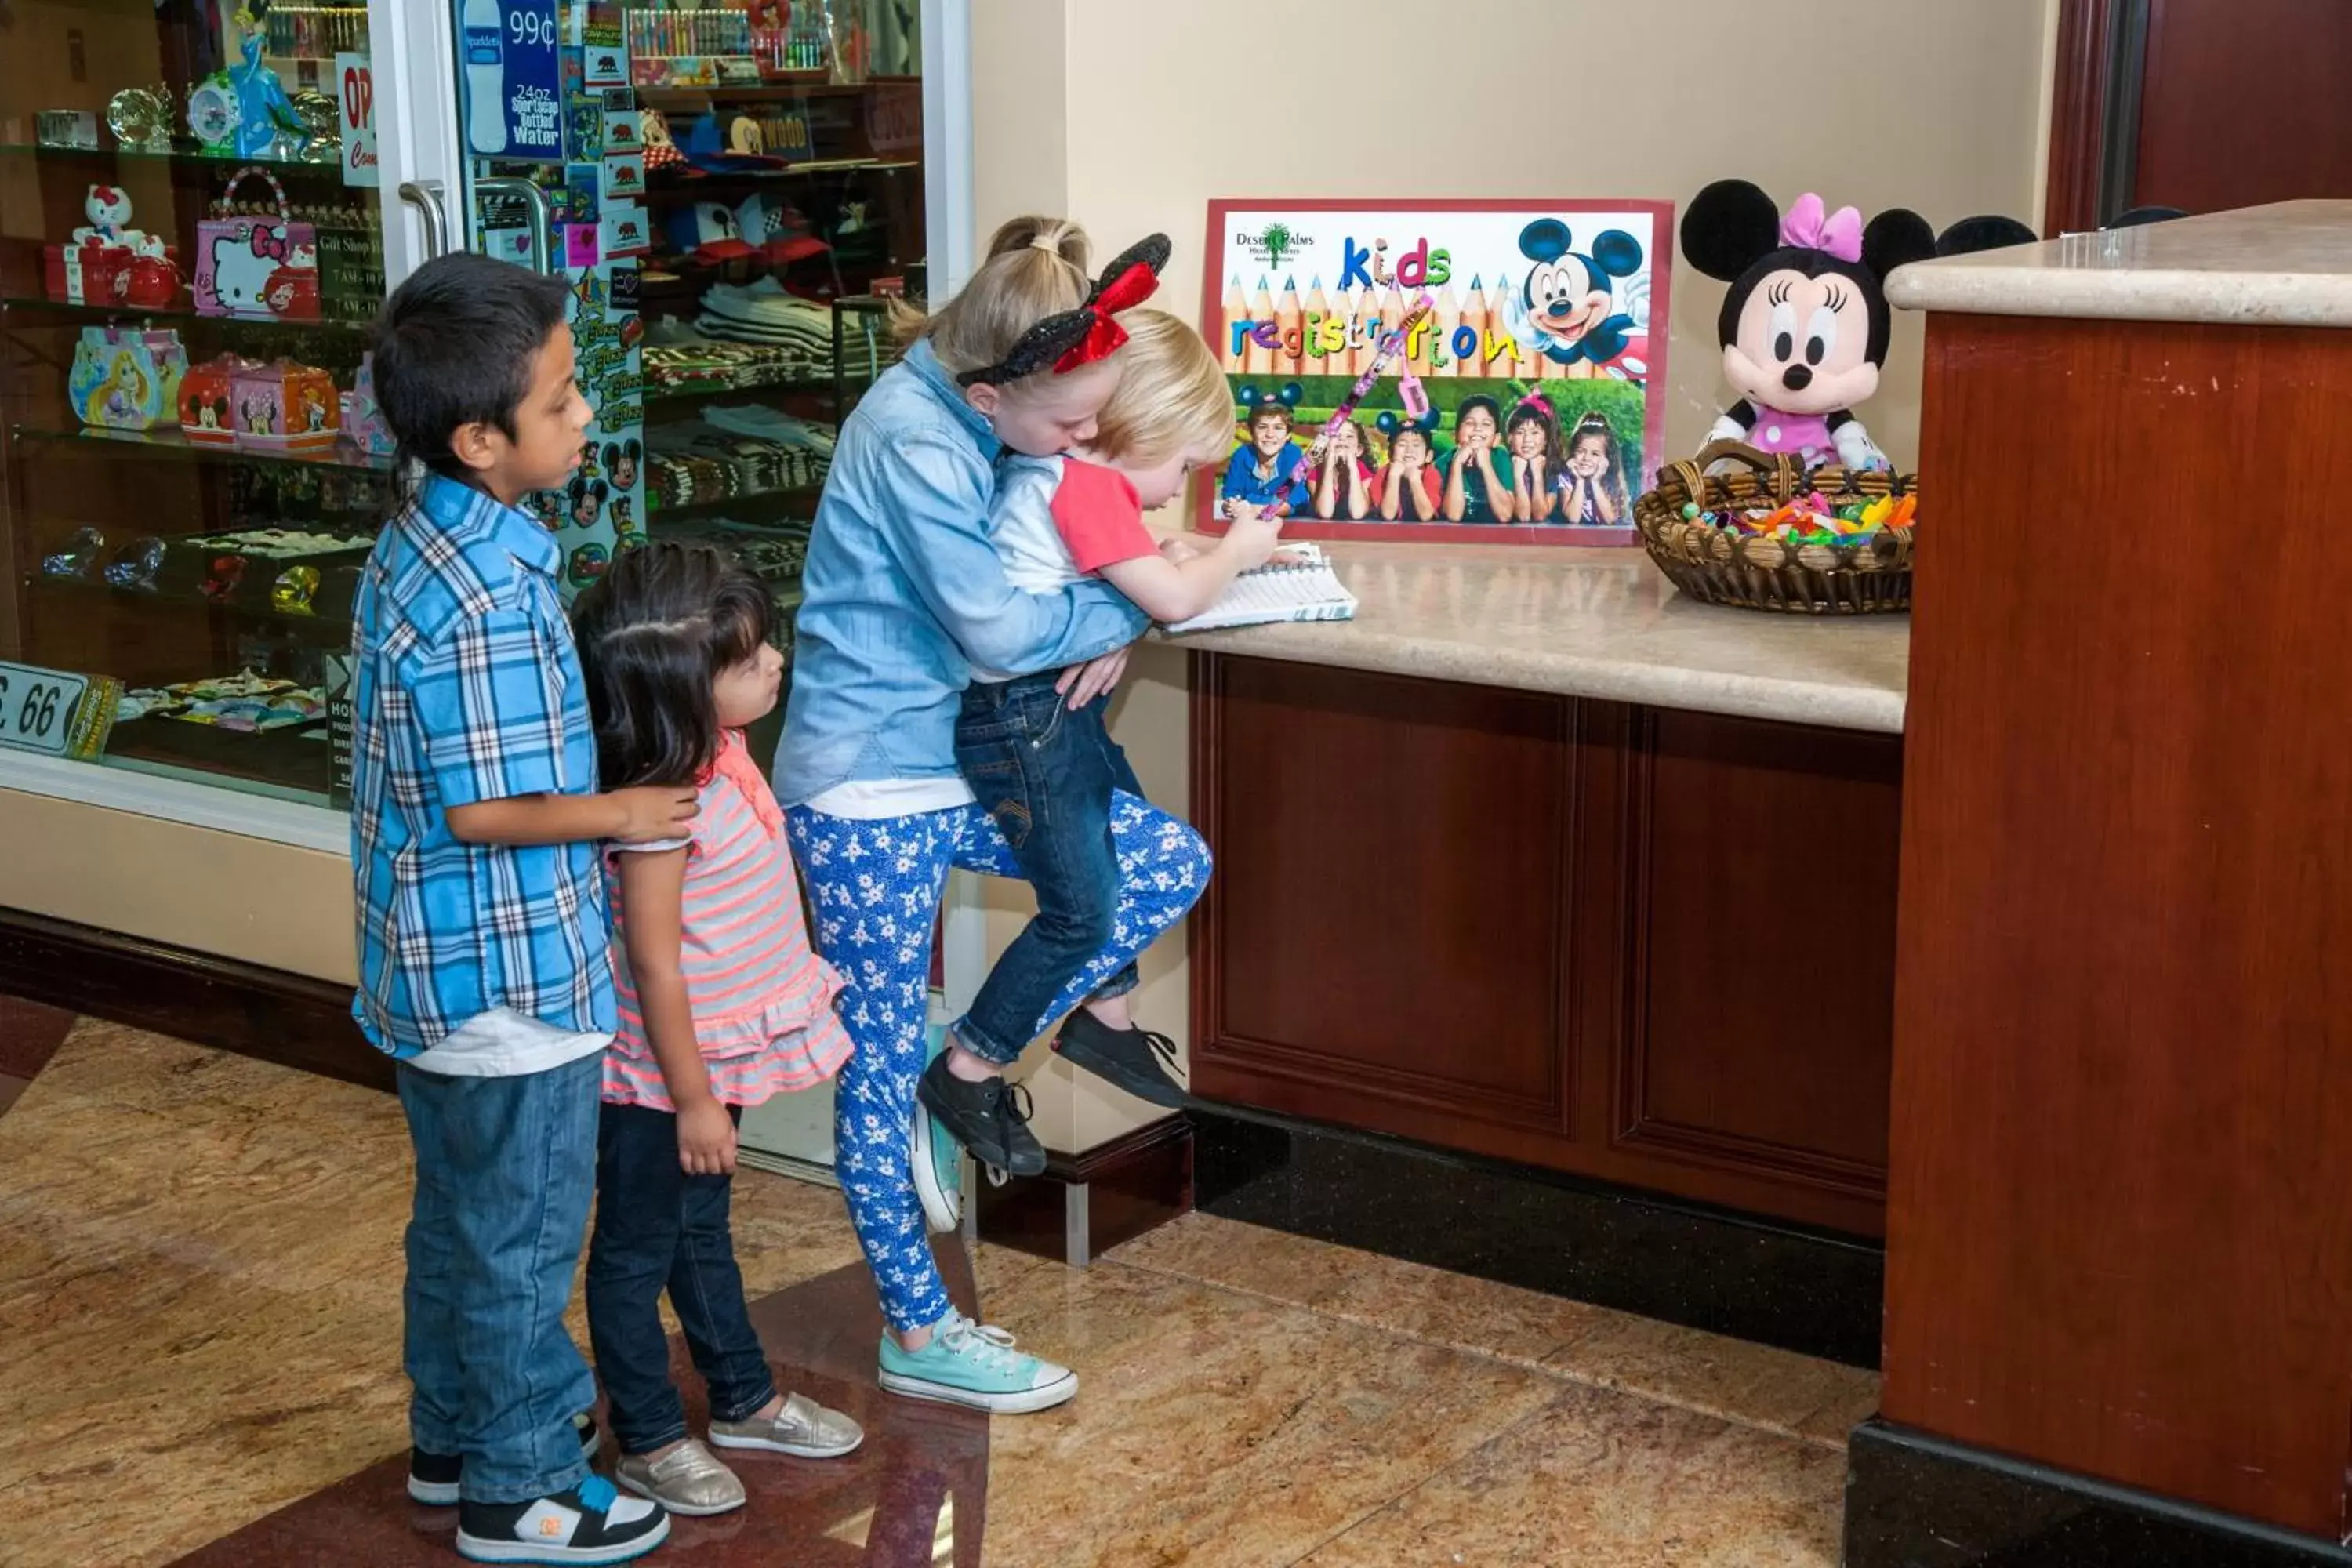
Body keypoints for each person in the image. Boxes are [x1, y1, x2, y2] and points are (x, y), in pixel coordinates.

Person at [777, 216, 1210, 1416]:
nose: (1083, 447)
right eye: (1071, 428)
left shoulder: (980, 407)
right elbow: (1003, 633)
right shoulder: (917, 438)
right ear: (991, 389)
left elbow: (1043, 569)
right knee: (867, 1079)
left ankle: (963, 1056)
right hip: (867, 788)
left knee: (1162, 861)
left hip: (948, 760)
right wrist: (1127, 614)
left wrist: (1121, 609)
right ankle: (921, 1330)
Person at [352, 251, 695, 1566]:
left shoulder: (426, 538)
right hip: (506, 986)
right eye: (561, 403)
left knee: (457, 1217)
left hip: (424, 972)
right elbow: (484, 811)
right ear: (479, 437)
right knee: (523, 1238)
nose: (586, 417)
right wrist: (623, 814)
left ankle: (449, 1439)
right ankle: (520, 1483)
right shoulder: (493, 594)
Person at [939, 308, 1280, 1198]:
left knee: (1122, 846)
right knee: (1081, 908)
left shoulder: (1061, 475)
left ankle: (1107, 1013)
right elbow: (1168, 597)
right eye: (1180, 466)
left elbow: (1130, 570)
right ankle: (969, 1067)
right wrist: (1239, 550)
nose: (1177, 488)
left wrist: (1174, 558)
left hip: (1046, 710)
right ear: (1139, 433)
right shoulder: (1082, 485)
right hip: (1019, 720)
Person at [572, 543, 866, 1519]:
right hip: (662, 1075)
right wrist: (693, 1096)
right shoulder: (660, 799)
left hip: (713, 1053)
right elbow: (654, 962)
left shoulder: (723, 750)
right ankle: (649, 1436)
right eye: (749, 658)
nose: (775, 662)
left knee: (700, 1228)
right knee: (635, 1244)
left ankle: (743, 1395)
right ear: (682, 689)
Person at [1219, 400, 1307, 512]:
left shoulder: (1293, 455)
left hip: (1293, 526)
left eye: (1278, 428)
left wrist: (1251, 504)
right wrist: (1230, 505)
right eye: (1262, 427)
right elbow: (1231, 494)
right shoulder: (1242, 455)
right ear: (1251, 432)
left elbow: (1292, 503)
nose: (1270, 434)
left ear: (1288, 435)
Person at [1443, 394, 1515, 522]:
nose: (1477, 429)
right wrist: (1457, 465)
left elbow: (1505, 514)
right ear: (1456, 435)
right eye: (1470, 423)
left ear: (1496, 439)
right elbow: (1453, 515)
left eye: (1486, 424)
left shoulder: (1501, 458)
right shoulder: (1444, 462)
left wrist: (1486, 466)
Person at [1561, 411, 1631, 525]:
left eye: (1595, 454)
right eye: (1581, 451)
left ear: (1606, 459)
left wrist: (1595, 481)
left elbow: (1610, 520)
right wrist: (1579, 481)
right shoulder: (1567, 479)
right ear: (1573, 452)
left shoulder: (1611, 479)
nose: (1586, 458)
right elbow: (1573, 518)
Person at [1504, 395, 1566, 523]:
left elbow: (1540, 515)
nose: (1527, 439)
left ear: (1546, 440)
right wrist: (1517, 476)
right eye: (1520, 432)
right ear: (1510, 438)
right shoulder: (1504, 465)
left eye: (1535, 433)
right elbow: (1523, 516)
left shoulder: (1554, 470)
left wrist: (1537, 474)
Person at [1370, 424, 1442, 522]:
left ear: (1428, 456)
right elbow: (1388, 515)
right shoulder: (1383, 474)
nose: (1409, 450)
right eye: (1402, 445)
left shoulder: (1431, 474)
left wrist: (1415, 480)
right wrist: (1393, 478)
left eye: (1416, 445)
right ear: (1390, 454)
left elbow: (1426, 515)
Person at [1309, 417, 1374, 520]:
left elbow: (1358, 513)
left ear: (1359, 450)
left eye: (1349, 436)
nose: (1342, 439)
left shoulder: (1364, 474)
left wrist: (1353, 469)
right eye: (1336, 435)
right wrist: (1329, 467)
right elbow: (1325, 513)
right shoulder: (1316, 473)